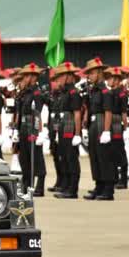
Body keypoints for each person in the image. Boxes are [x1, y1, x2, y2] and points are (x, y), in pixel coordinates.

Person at [82, 58, 114, 200]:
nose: (90, 76)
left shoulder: (105, 91)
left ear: (100, 73)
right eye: (89, 74)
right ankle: (99, 185)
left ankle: (108, 189)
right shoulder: (93, 90)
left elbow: (108, 112)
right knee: (94, 156)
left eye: (92, 73)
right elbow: (89, 109)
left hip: (102, 122)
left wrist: (107, 131)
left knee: (104, 157)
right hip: (94, 124)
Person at [15, 63, 48, 196]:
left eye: (28, 76)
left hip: (32, 128)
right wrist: (16, 131)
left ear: (34, 77)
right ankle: (26, 184)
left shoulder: (36, 93)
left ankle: (39, 187)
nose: (25, 78)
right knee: (25, 159)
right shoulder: (25, 93)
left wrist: (39, 132)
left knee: (36, 158)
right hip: (24, 128)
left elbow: (38, 113)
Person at [54, 63, 83, 199]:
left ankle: (73, 189)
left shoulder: (74, 92)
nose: (58, 80)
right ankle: (66, 186)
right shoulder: (63, 93)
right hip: (63, 126)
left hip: (71, 127)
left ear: (68, 76)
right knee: (64, 158)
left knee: (71, 159)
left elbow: (77, 113)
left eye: (60, 76)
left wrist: (77, 134)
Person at [105, 67, 129, 190]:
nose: (108, 80)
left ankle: (123, 180)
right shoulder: (111, 92)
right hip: (111, 122)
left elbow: (124, 112)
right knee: (111, 151)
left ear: (116, 79)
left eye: (110, 78)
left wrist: (126, 127)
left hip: (116, 123)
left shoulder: (121, 93)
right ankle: (114, 178)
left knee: (119, 150)